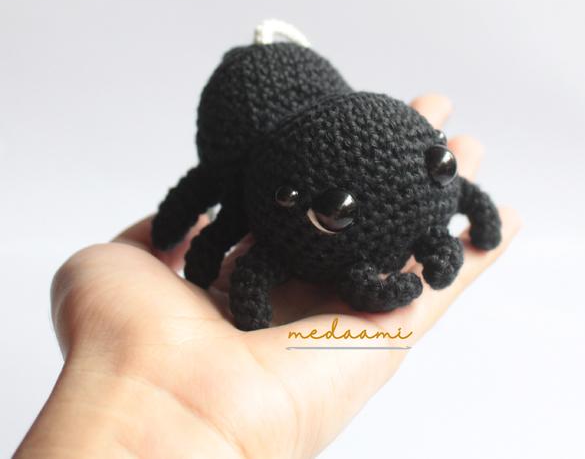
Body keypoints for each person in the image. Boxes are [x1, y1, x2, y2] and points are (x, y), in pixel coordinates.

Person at [13, 95, 520, 458]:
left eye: (442, 165)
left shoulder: (381, 158)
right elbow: (239, 274)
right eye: (335, 214)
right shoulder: (264, 184)